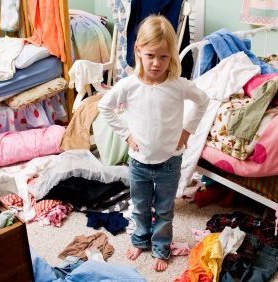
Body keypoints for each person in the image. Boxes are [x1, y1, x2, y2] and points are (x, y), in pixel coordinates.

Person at [98, 14, 209, 272]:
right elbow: (105, 106)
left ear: (172, 56)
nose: (157, 63)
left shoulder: (178, 85)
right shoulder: (128, 85)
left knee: (165, 209)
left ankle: (161, 247)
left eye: (164, 56)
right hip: (138, 161)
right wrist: (126, 134)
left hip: (170, 161)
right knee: (139, 207)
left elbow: (202, 100)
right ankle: (140, 239)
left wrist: (187, 130)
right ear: (138, 50)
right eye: (150, 55)